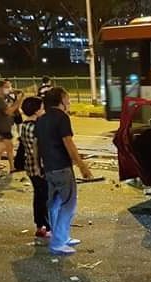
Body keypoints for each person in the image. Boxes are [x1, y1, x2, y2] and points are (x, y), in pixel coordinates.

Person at [35, 87, 93, 255]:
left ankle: (61, 236)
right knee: (68, 204)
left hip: (49, 168)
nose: (69, 102)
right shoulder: (62, 118)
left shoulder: (41, 119)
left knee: (54, 204)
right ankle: (58, 242)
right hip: (62, 167)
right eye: (67, 98)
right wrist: (82, 166)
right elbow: (68, 143)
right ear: (61, 100)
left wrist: (39, 165)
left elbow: (36, 145)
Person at [20, 96, 52, 244]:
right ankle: (47, 226)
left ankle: (40, 226)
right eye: (42, 108)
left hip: (30, 166)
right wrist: (42, 167)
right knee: (45, 198)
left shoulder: (25, 125)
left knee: (39, 197)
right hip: (38, 168)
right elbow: (37, 149)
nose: (43, 110)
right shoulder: (36, 127)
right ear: (36, 110)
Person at [0, 79, 22, 174]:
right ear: (0, 88)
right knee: (3, 147)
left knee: (6, 147)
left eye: (10, 86)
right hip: (1, 127)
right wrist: (19, 99)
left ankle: (11, 167)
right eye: (7, 87)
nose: (10, 88)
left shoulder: (5, 98)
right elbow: (8, 111)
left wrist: (18, 98)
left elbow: (15, 109)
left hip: (5, 126)